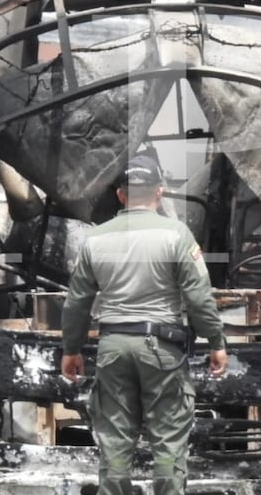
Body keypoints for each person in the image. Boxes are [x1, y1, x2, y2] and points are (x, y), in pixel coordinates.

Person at [60, 154, 229, 495]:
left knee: (115, 442)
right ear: (159, 193)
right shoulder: (177, 235)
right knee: (167, 441)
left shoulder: (95, 238)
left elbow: (77, 301)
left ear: (121, 195)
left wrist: (71, 349)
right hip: (161, 349)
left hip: (112, 348)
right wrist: (216, 342)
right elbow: (198, 297)